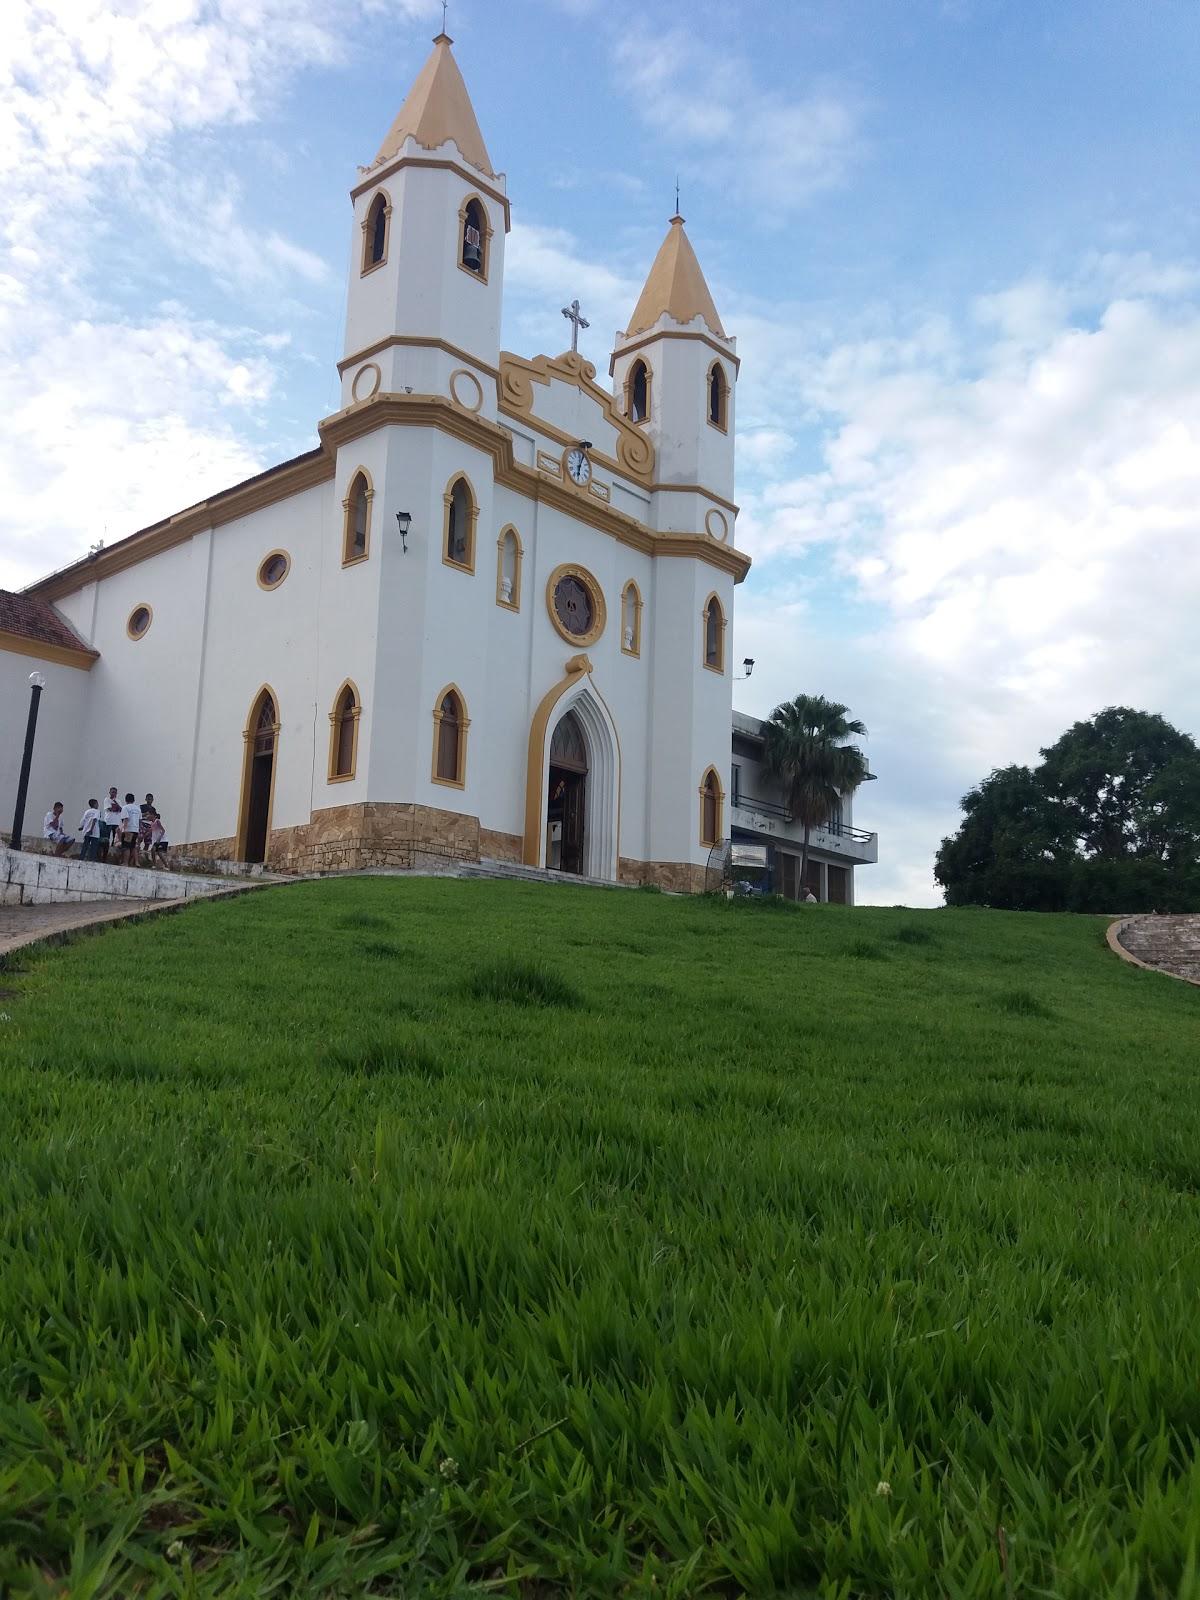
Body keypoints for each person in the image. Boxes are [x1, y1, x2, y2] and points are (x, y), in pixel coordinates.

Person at [100, 787, 123, 862]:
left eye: (115, 792)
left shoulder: (118, 801)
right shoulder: (106, 799)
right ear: (109, 792)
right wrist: (116, 807)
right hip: (109, 821)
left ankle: (113, 853)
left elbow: (121, 809)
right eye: (112, 792)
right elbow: (110, 809)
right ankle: (105, 853)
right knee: (107, 837)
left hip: (116, 822)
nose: (114, 793)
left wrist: (115, 804)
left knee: (115, 837)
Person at [120, 792, 142, 866]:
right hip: (135, 830)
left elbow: (126, 819)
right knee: (133, 846)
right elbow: (140, 821)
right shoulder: (138, 809)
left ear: (126, 800)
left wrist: (124, 830)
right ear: (134, 800)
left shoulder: (125, 808)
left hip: (128, 829)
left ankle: (126, 863)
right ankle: (137, 862)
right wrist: (139, 830)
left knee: (126, 846)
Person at [138, 793, 155, 861]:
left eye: (151, 799)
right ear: (146, 799)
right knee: (139, 839)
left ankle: (144, 855)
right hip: (143, 824)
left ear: (153, 800)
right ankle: (137, 852)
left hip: (150, 825)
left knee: (147, 842)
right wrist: (145, 814)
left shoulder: (153, 809)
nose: (149, 800)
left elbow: (154, 818)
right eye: (148, 799)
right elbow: (138, 815)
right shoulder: (142, 807)